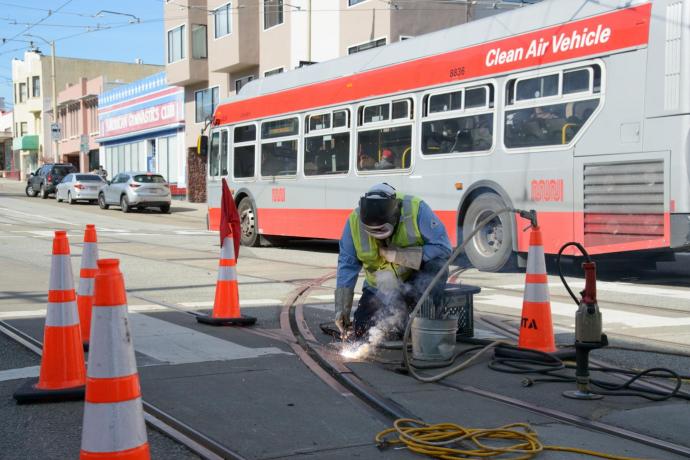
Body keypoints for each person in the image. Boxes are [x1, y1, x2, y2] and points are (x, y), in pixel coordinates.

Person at [334, 183, 452, 339]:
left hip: (412, 282)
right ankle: (398, 324)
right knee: (361, 331)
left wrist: (400, 256)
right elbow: (347, 265)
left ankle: (425, 325)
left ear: (396, 216)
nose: (378, 238)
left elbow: (443, 248)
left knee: (438, 266)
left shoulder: (416, 209)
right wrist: (342, 309)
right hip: (379, 288)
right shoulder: (354, 222)